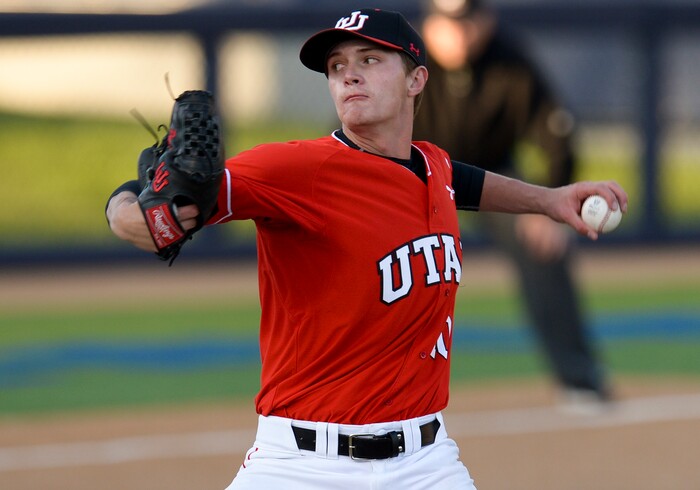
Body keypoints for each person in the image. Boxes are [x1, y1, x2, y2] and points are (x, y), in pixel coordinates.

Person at [105, 8, 627, 489]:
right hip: (301, 465)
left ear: (417, 79)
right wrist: (132, 209)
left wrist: (551, 199)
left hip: (428, 462)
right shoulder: (297, 171)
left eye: (369, 60)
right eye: (337, 66)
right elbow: (150, 216)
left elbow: (462, 183)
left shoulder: (434, 166)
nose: (348, 74)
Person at [414, 0, 612, 407]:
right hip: (415, 180)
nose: (458, 33)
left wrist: (550, 206)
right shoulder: (405, 62)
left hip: (490, 180)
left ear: (486, 20)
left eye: (467, 21)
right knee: (389, 260)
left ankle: (580, 379)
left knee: (541, 240)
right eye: (447, 23)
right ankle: (379, 388)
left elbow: (557, 136)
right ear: (428, 23)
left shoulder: (510, 60)